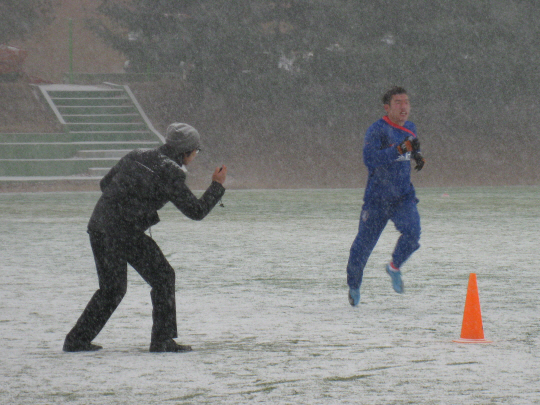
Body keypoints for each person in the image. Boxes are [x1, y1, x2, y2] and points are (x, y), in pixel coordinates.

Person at [63, 123, 227, 352]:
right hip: (123, 231)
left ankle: (76, 340)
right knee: (163, 277)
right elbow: (196, 211)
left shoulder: (137, 155)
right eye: (195, 152)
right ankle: (162, 340)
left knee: (112, 289)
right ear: (186, 152)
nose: (195, 156)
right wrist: (216, 186)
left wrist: (133, 204)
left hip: (100, 225)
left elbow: (105, 184)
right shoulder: (171, 172)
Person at [346, 87, 425, 306]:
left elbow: (410, 147)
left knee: (413, 233)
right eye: (398, 102)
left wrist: (417, 156)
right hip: (377, 199)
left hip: (402, 197)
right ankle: (354, 285)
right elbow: (370, 160)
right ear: (387, 107)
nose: (404, 107)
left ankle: (394, 267)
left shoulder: (410, 128)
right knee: (362, 248)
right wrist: (400, 149)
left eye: (407, 102)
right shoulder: (377, 130)